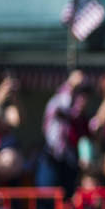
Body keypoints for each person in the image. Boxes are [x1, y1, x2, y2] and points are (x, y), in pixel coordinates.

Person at [36, 69, 94, 198]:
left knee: (68, 200)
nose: (82, 99)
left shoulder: (83, 119)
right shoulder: (58, 105)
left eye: (86, 96)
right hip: (51, 159)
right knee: (47, 198)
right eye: (79, 94)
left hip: (70, 164)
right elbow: (62, 103)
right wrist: (71, 84)